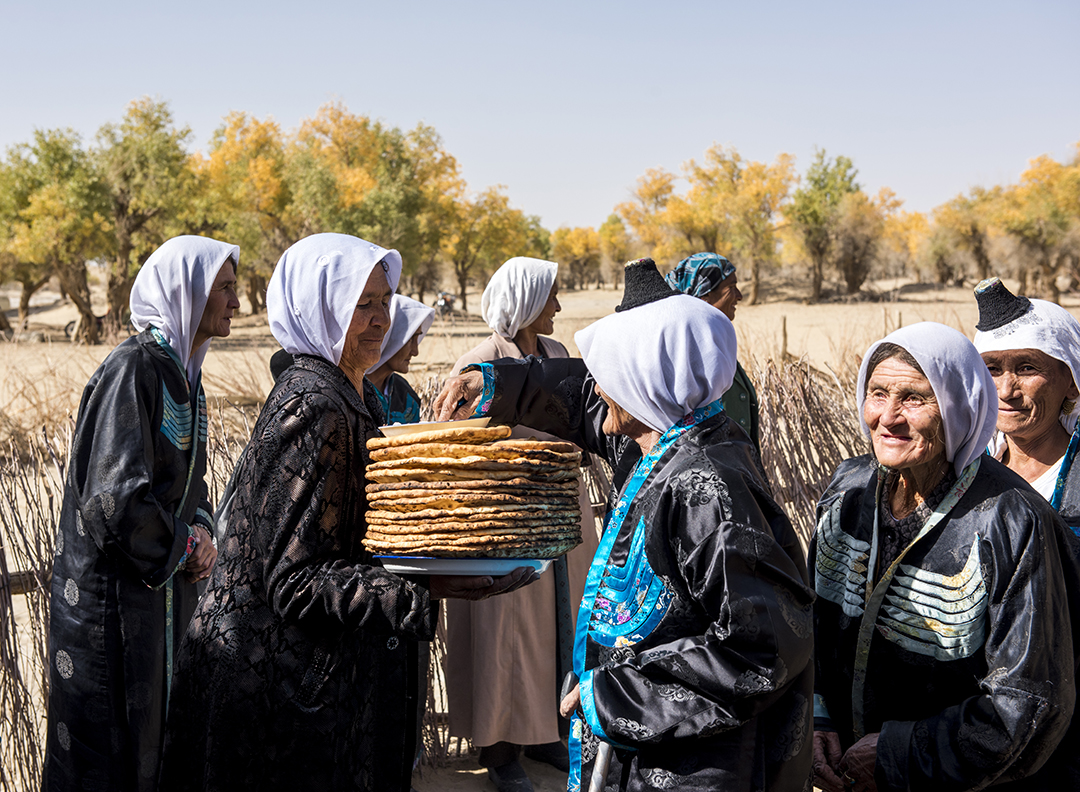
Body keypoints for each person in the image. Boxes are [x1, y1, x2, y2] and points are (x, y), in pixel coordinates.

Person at [159, 233, 535, 792]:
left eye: (386, 301)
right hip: (281, 700)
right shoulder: (314, 408)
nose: (382, 319)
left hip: (320, 687)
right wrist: (426, 587)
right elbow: (293, 581)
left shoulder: (355, 395)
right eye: (363, 304)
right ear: (322, 306)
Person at [437, 259, 815, 792]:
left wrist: (617, 696)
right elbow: (574, 399)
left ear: (643, 379)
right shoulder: (663, 435)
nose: (596, 386)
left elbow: (759, 648)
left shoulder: (705, 487)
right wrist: (497, 385)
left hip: (698, 770)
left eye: (608, 372)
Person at [810, 322, 1080, 792]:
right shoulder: (847, 492)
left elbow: (1028, 699)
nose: (888, 417)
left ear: (958, 405)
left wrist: (900, 754)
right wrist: (816, 721)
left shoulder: (1012, 520)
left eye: (914, 398)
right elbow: (809, 625)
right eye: (877, 394)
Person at [43, 236, 239, 791]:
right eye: (224, 288)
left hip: (160, 597)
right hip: (113, 606)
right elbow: (114, 497)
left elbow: (190, 483)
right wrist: (183, 546)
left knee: (156, 738)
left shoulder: (184, 374)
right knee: (110, 744)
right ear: (188, 292)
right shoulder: (134, 368)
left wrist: (200, 527)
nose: (236, 303)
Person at [443, 255, 600, 792]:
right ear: (529, 301)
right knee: (505, 629)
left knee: (559, 624)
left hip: (561, 506)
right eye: (550, 296)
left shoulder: (555, 355)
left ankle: (543, 733)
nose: (557, 305)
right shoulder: (480, 361)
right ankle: (500, 747)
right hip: (506, 515)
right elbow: (462, 451)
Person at [972, 277, 1080, 528]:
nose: (1006, 391)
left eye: (1027, 368)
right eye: (992, 369)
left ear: (1072, 382)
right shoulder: (964, 471)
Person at [665, 252, 760, 448]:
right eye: (731, 287)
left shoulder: (716, 345)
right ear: (705, 294)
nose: (740, 296)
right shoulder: (689, 357)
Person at [365, 294, 435, 425]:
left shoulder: (404, 392)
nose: (415, 352)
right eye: (410, 339)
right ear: (390, 336)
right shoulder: (353, 391)